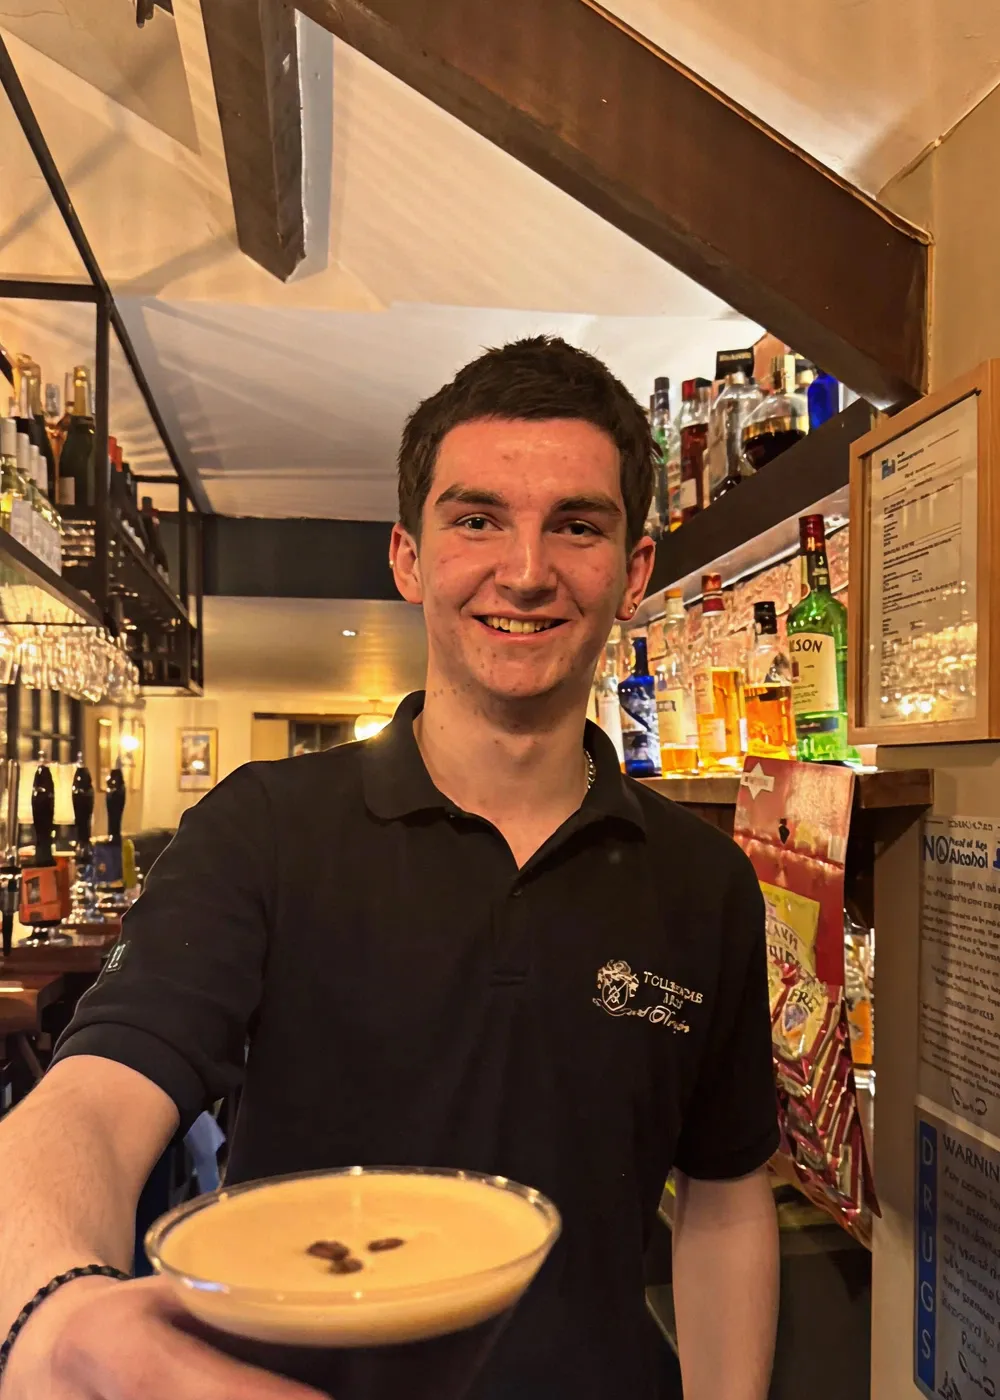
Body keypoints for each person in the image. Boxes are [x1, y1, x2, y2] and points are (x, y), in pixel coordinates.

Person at [0, 337, 779, 1400]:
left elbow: (727, 1196)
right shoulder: (261, 831)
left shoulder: (704, 878)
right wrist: (57, 1312)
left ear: (632, 572)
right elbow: (89, 1100)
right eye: (476, 518)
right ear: (408, 556)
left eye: (577, 525)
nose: (525, 569)